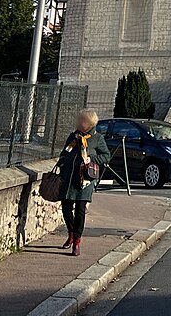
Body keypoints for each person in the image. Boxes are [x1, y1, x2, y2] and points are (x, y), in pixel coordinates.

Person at [57, 109, 111, 256]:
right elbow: (65, 152)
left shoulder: (97, 138)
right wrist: (62, 164)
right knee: (66, 207)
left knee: (80, 210)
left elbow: (106, 156)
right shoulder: (73, 136)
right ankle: (71, 233)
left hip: (85, 180)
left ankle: (77, 242)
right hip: (69, 178)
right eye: (80, 120)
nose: (80, 123)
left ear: (90, 123)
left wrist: (92, 160)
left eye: (83, 120)